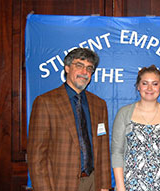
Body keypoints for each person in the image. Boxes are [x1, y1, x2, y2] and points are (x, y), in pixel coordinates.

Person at [27, 48, 112, 191]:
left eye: (89, 68)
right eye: (79, 65)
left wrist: (104, 185)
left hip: (93, 182)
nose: (84, 72)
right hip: (59, 183)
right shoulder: (45, 102)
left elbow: (103, 149)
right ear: (67, 68)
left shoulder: (99, 104)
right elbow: (36, 156)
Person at [111, 65, 160, 191]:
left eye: (155, 84)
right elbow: (117, 152)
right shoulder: (124, 113)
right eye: (145, 83)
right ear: (138, 86)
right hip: (130, 185)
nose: (149, 88)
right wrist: (121, 187)